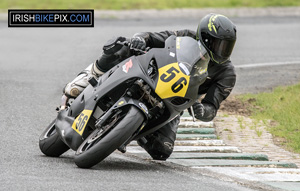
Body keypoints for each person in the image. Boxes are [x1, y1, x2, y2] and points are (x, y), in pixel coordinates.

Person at [63, 13, 237, 160]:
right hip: (151, 73)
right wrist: (139, 39)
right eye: (219, 44)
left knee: (162, 151)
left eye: (227, 46)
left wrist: (202, 111)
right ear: (205, 37)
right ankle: (89, 76)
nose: (223, 51)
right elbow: (152, 37)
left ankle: (130, 128)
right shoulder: (186, 37)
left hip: (173, 100)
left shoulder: (227, 73)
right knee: (121, 45)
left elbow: (211, 107)